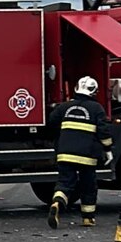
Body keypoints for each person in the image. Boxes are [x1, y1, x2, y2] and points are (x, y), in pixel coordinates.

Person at [47, 76, 113, 228]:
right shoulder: (97, 109)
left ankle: (57, 202)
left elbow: (52, 121)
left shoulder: (64, 107)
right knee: (88, 185)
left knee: (64, 183)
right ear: (93, 91)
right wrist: (108, 150)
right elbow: (104, 132)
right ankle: (88, 218)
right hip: (87, 156)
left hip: (65, 153)